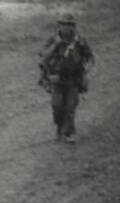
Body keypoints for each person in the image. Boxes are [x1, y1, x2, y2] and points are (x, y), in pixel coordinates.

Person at [38, 14, 94, 142]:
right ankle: (60, 127)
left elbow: (90, 57)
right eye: (64, 24)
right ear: (59, 25)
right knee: (57, 106)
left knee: (70, 107)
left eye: (69, 24)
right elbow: (42, 55)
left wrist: (86, 71)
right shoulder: (53, 39)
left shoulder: (79, 41)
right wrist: (55, 46)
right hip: (56, 79)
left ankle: (69, 133)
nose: (66, 27)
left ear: (73, 27)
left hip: (73, 79)